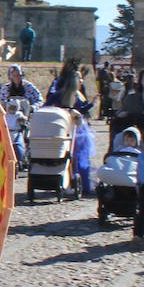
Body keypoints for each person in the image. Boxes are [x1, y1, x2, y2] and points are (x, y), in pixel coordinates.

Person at [45, 57, 95, 196]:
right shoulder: (67, 95)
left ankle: (72, 180)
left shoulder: (72, 95)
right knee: (71, 155)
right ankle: (69, 180)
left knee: (73, 155)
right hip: (67, 128)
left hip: (71, 128)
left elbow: (47, 106)